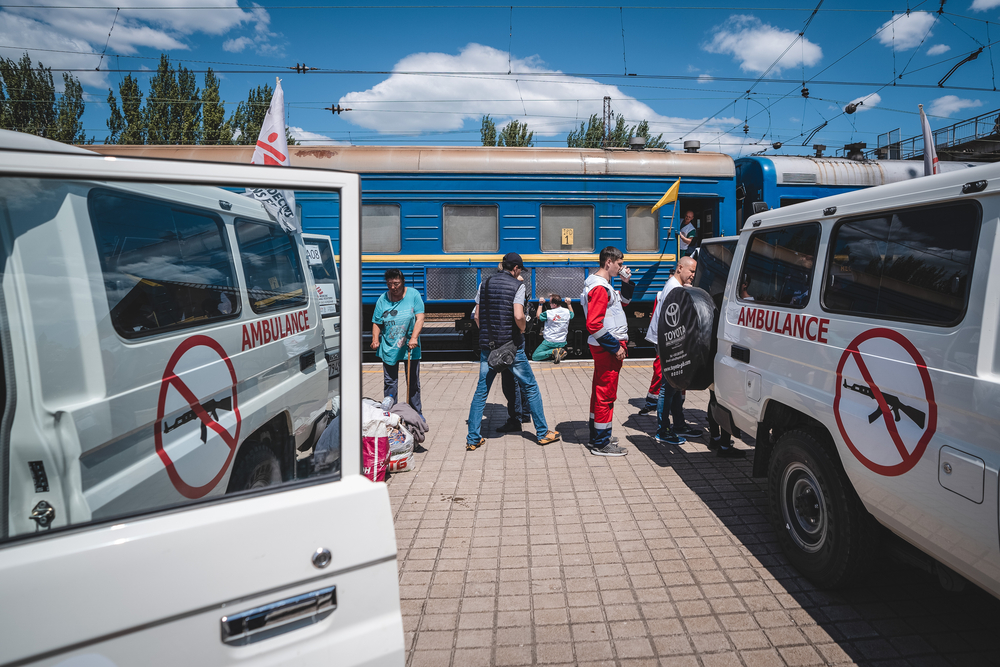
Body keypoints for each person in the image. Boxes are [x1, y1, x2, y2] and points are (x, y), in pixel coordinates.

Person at [466, 253, 559, 451]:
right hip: (511, 347)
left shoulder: (485, 283)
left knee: (481, 391)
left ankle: (473, 438)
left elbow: (476, 316)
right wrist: (523, 328)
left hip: (488, 347)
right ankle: (542, 433)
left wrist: (486, 334)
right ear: (515, 268)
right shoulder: (518, 285)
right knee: (531, 387)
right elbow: (518, 315)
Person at [584, 246, 634, 456]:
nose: (621, 268)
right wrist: (616, 348)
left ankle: (598, 434)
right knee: (606, 393)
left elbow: (623, 303)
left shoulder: (601, 285)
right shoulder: (601, 288)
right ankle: (602, 443)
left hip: (604, 346)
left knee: (600, 391)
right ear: (609, 262)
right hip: (608, 347)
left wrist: (626, 283)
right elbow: (594, 324)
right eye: (620, 264)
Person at [647, 256, 701, 446]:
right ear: (680, 268)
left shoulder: (674, 286)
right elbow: (672, 322)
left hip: (668, 342)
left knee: (676, 384)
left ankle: (678, 424)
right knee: (668, 386)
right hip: (667, 344)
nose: (693, 275)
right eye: (691, 271)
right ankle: (663, 429)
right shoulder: (674, 289)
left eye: (694, 272)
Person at [371, 269, 424, 414]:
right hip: (389, 346)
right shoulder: (383, 299)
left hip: (410, 346)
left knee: (412, 383)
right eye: (389, 284)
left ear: (402, 282)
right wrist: (375, 339)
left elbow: (420, 318)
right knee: (390, 383)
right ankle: (391, 414)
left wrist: (414, 338)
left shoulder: (413, 294)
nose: (393, 287)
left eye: (396, 284)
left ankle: (415, 414)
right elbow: (376, 321)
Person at [532, 294, 574, 363]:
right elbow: (572, 314)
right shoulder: (567, 312)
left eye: (550, 303)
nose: (549, 304)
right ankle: (558, 351)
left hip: (549, 341)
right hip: (562, 342)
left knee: (535, 356)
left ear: (554, 304)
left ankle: (553, 352)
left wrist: (540, 304)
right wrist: (569, 304)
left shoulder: (549, 313)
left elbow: (538, 316)